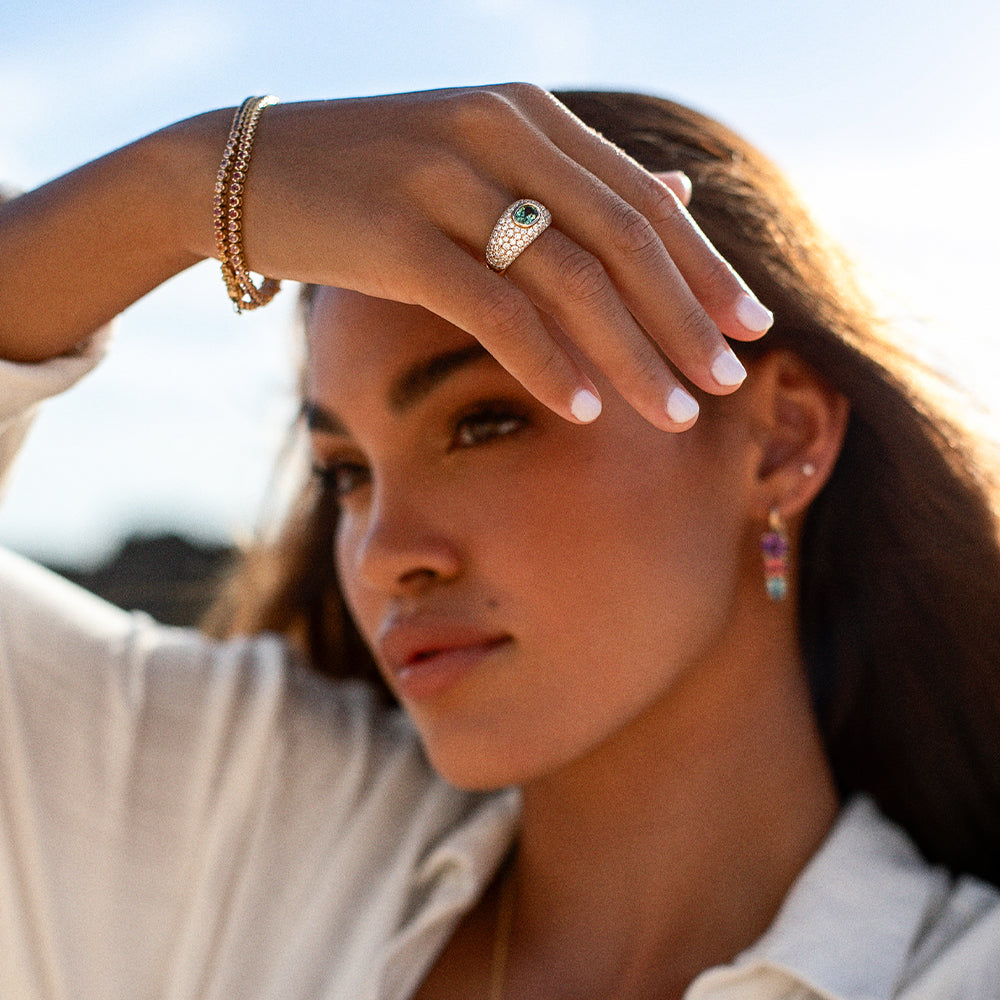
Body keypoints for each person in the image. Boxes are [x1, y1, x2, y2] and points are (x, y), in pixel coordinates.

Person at [0, 84, 998, 1000]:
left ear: (779, 440)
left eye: (483, 421)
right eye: (345, 474)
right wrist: (183, 182)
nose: (385, 552)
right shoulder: (242, 820)